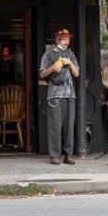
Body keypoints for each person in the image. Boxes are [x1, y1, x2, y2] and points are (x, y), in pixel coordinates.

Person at [39, 28, 80, 165]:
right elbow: (42, 74)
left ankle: (68, 154)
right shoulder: (48, 54)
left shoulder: (70, 54)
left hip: (70, 95)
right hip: (55, 96)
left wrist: (70, 63)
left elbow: (76, 74)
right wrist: (52, 69)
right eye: (63, 39)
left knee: (69, 126)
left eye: (68, 39)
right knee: (55, 126)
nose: (66, 42)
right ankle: (54, 155)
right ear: (57, 40)